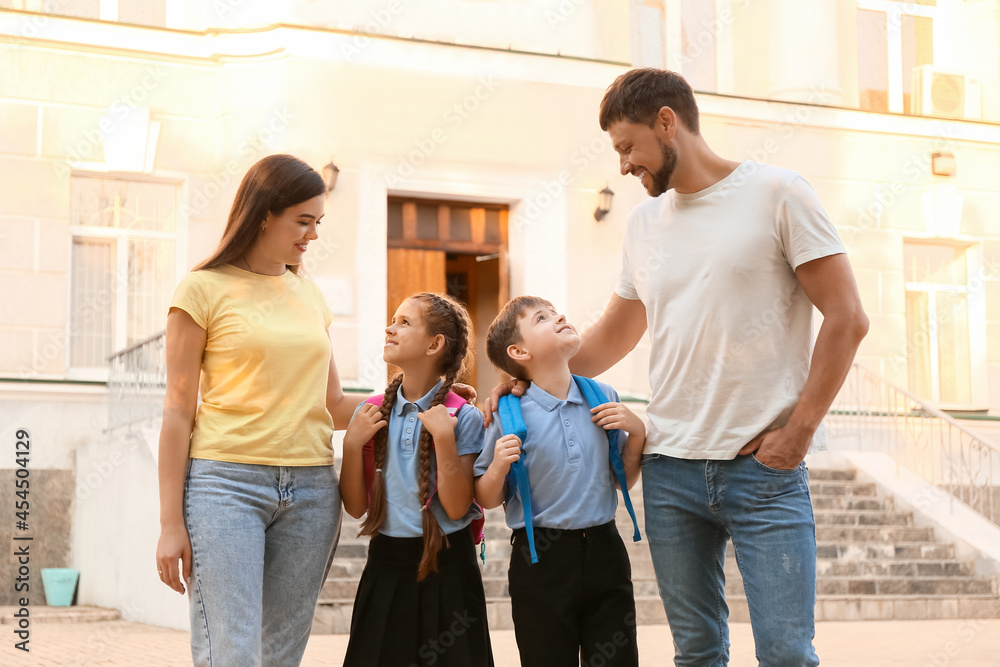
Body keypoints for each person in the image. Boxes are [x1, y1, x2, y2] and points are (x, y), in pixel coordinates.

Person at [487, 68, 869, 666]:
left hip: (762, 472)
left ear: (667, 122)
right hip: (669, 472)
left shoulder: (779, 193)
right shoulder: (643, 224)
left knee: (787, 653)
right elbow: (613, 334)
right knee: (695, 652)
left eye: (627, 147)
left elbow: (847, 317)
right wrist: (522, 378)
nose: (622, 166)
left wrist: (800, 431)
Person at [155, 154, 360, 666]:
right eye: (303, 221)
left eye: (318, 222)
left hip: (312, 490)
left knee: (281, 654)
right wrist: (169, 523)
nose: (312, 235)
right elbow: (178, 411)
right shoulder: (201, 290)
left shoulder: (310, 296)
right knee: (233, 650)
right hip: (225, 485)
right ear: (265, 212)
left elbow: (333, 405)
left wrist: (424, 400)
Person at [476, 295, 644, 667]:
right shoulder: (507, 413)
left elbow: (623, 481)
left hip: (606, 552)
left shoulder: (604, 398)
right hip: (540, 561)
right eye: (541, 318)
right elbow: (488, 498)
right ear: (519, 351)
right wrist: (498, 467)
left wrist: (638, 433)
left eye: (554, 312)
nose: (559, 317)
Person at [339, 292, 493, 667]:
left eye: (404, 322)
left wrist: (443, 438)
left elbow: (457, 507)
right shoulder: (370, 411)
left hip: (449, 567)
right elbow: (357, 507)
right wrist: (350, 444)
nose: (390, 328)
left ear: (434, 344)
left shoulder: (463, 416)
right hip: (386, 566)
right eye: (393, 320)